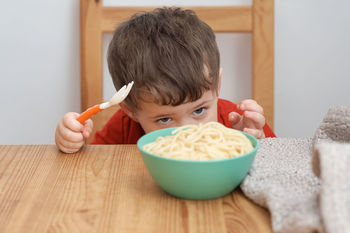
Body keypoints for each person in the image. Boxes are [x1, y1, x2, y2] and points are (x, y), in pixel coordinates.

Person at [55, 7, 275, 154]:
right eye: (164, 120)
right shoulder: (124, 126)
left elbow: (280, 161)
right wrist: (71, 141)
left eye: (199, 111)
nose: (186, 131)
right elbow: (94, 165)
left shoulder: (233, 120)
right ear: (131, 109)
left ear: (217, 85)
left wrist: (258, 142)